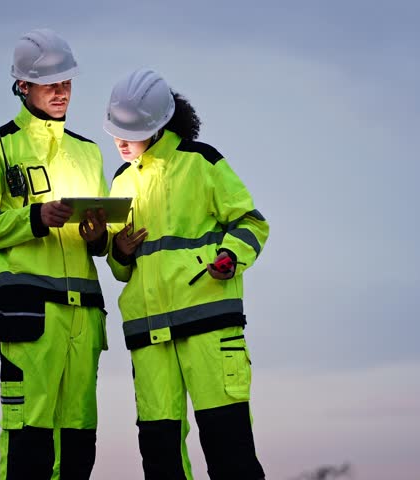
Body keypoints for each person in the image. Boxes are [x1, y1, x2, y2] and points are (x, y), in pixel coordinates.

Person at [104, 68, 270, 479]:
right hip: (150, 340)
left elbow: (251, 223)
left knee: (229, 451)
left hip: (210, 331)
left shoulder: (203, 162)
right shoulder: (120, 182)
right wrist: (119, 252)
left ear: (159, 125)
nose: (121, 141)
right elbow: (121, 269)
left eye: (132, 131)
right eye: (116, 132)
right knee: (160, 459)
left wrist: (230, 256)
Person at [0, 28, 110, 480]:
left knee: (80, 439)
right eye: (51, 83)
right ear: (22, 86)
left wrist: (100, 236)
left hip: (84, 320)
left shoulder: (88, 152)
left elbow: (101, 241)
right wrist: (34, 218)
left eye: (67, 82)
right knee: (28, 437)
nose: (62, 92)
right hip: (30, 320)